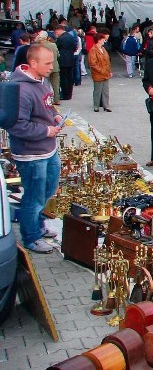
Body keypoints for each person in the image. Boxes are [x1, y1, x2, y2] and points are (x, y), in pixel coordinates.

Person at [7, 45, 65, 253]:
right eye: (47, 63)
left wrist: (55, 115)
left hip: (48, 150)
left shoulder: (43, 81)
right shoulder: (20, 90)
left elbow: (48, 105)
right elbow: (16, 126)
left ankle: (38, 225)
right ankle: (30, 237)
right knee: (34, 195)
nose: (52, 67)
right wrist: (46, 131)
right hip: (31, 154)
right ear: (33, 63)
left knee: (48, 190)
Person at [33, 31, 60, 105]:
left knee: (45, 84)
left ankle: (46, 100)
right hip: (54, 67)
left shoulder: (39, 46)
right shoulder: (53, 45)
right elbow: (58, 55)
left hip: (44, 68)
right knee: (56, 85)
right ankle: (56, 100)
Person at [87, 33, 112, 112]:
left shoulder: (103, 49)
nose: (104, 40)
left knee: (105, 90)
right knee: (98, 90)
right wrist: (102, 70)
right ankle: (96, 105)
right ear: (99, 40)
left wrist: (109, 71)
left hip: (105, 73)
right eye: (103, 39)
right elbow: (93, 64)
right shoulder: (93, 50)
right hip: (98, 74)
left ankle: (106, 105)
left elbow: (108, 61)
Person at [54, 25, 76, 100]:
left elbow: (57, 48)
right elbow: (74, 47)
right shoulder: (71, 36)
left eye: (56, 32)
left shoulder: (60, 38)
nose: (56, 33)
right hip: (70, 59)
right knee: (70, 78)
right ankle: (69, 94)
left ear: (59, 30)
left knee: (63, 78)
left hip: (63, 60)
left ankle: (65, 94)